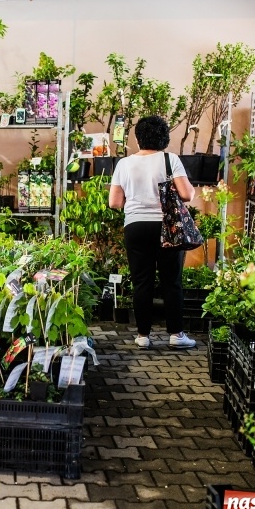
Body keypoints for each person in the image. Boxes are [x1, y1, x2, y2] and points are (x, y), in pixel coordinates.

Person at [108, 115, 197, 350]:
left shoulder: (124, 164)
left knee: (142, 282)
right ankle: (176, 335)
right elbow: (187, 195)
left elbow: (114, 202)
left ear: (138, 138)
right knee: (171, 282)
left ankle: (142, 336)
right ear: (164, 138)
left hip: (135, 226)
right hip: (167, 226)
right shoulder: (170, 159)